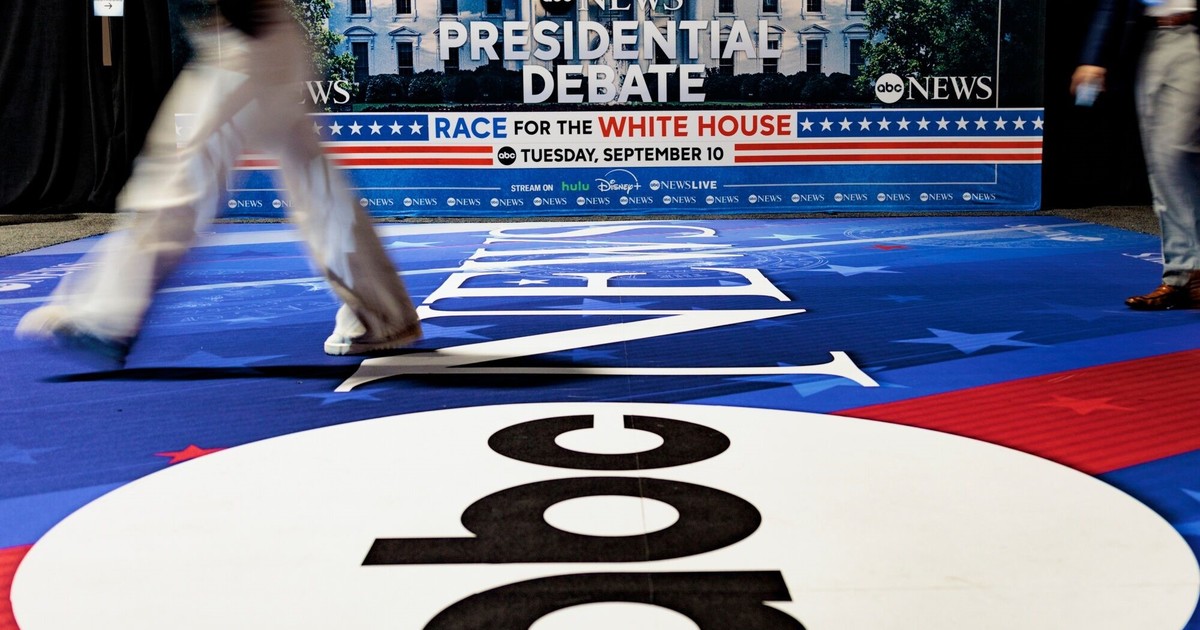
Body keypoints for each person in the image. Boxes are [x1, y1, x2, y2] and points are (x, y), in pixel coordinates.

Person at [16, 0, 421, 362]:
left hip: (246, 35)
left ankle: (105, 317)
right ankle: (383, 313)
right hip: (255, 32)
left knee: (183, 177)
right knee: (313, 184)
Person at [1071, 0, 1200, 310]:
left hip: (1192, 36)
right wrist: (1093, 57)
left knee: (1177, 153)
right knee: (1163, 162)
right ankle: (1181, 276)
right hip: (1153, 40)